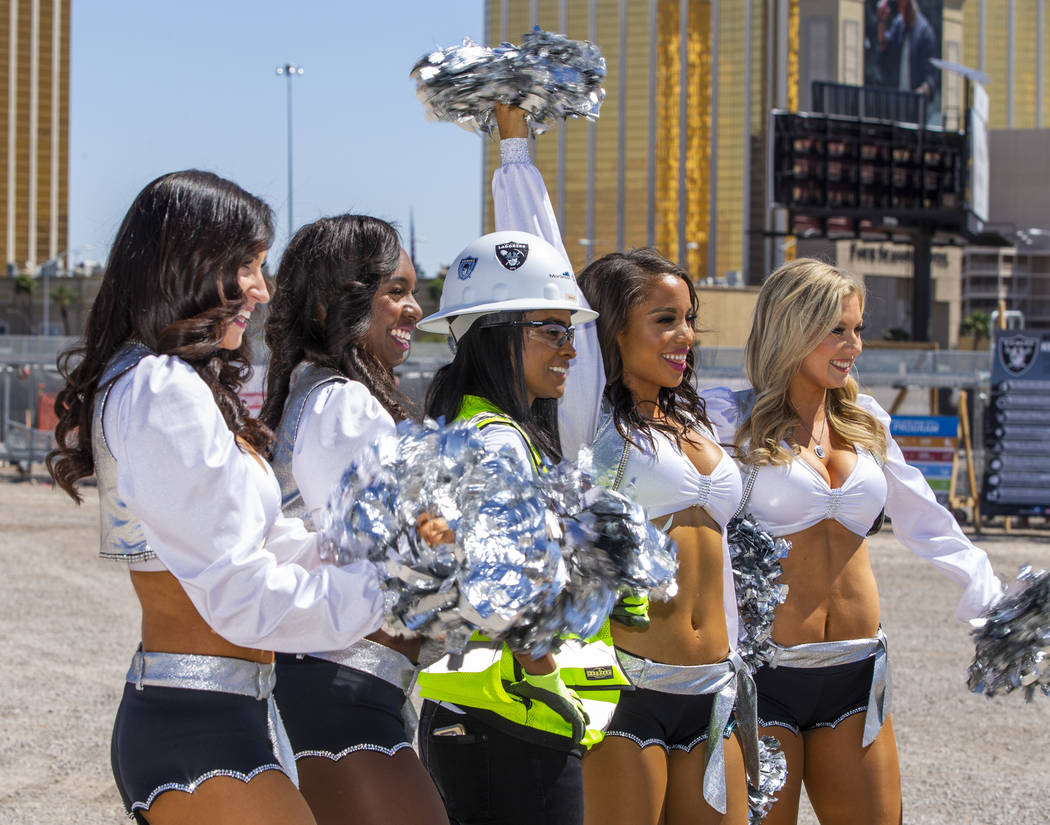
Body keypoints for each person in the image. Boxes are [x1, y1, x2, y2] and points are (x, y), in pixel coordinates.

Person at [46, 170, 386, 825]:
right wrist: (385, 585)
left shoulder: (165, 381)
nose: (262, 289)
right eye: (249, 267)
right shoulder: (159, 388)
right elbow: (238, 591)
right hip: (198, 723)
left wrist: (369, 548)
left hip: (221, 713)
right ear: (192, 265)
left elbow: (248, 540)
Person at [489, 106, 756, 825]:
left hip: (714, 689)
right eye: (665, 319)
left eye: (689, 317)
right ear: (610, 328)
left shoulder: (700, 418)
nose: (686, 336)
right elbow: (543, 270)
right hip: (625, 687)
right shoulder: (588, 418)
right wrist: (515, 145)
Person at [707, 258, 1002, 825]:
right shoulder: (727, 423)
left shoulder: (866, 421)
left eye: (857, 329)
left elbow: (927, 521)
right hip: (765, 677)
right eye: (836, 330)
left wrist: (992, 603)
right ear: (790, 329)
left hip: (857, 670)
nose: (854, 346)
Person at [414, 228, 630, 825]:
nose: (570, 349)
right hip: (512, 718)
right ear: (494, 337)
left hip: (478, 714)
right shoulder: (501, 442)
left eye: (571, 331)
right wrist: (544, 673)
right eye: (551, 331)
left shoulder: (471, 426)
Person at [259, 214, 448, 825]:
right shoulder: (343, 402)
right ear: (330, 304)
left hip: (337, 687)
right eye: (395, 291)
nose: (415, 309)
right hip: (341, 689)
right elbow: (397, 560)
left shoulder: (313, 392)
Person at [877, 0, 938, 101]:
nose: (902, 12)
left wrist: (919, 93)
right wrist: (881, 21)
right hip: (896, 100)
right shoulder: (898, 25)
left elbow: (931, 77)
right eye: (900, 7)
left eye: (904, 7)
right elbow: (884, 47)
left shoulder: (925, 33)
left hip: (915, 106)